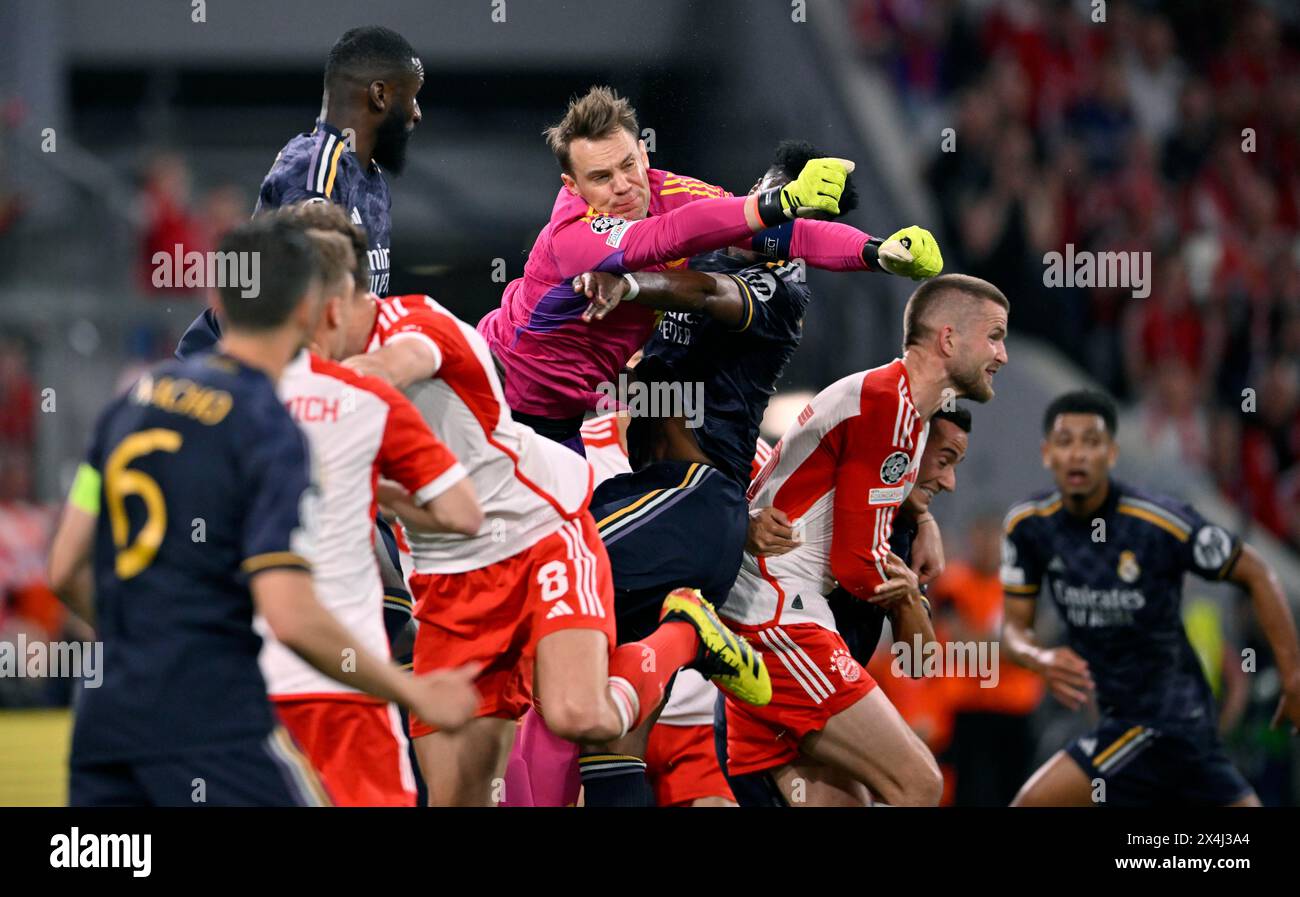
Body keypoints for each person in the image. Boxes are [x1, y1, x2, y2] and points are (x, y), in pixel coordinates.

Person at [45, 218, 478, 806]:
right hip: (210, 713)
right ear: (312, 309)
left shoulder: (131, 400)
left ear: (217, 301)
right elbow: (291, 614)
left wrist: (140, 639)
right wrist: (412, 691)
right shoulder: (268, 429)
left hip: (107, 714)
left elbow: (65, 568)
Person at [335, 289, 771, 806]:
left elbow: (389, 373)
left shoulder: (415, 325)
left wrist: (306, 409)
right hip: (448, 590)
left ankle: (684, 636)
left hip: (541, 542)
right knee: (463, 792)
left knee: (575, 714)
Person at [478, 86, 942, 452]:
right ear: (572, 184)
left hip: (560, 420)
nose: (622, 187)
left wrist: (876, 252)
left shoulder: (678, 194)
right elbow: (667, 237)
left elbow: (787, 236)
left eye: (627, 165)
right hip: (492, 390)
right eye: (601, 178)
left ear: (643, 154)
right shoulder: (572, 235)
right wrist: (779, 202)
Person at [716, 273, 1010, 807]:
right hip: (779, 618)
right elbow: (855, 563)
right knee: (921, 783)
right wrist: (906, 594)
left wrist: (922, 518)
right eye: (994, 336)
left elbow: (870, 497)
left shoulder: (896, 407)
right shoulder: (891, 407)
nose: (1003, 354)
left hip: (770, 617)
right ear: (948, 339)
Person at [259, 206, 482, 806]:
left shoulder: (211, 393)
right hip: (339, 672)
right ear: (336, 303)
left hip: (227, 674)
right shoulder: (363, 396)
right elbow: (464, 512)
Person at [1002, 389, 1300, 806]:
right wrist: (1041, 658)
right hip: (1129, 728)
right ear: (1046, 453)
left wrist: (1292, 676)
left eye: (1092, 442)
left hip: (1167, 724)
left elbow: (1257, 572)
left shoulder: (1158, 522)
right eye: (1066, 442)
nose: (1078, 455)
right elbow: (1013, 628)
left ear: (1112, 453)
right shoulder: (1029, 528)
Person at [175, 25, 423, 358]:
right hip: (229, 367)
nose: (417, 113)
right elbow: (309, 308)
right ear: (380, 96)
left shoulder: (371, 178)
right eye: (412, 96)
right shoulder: (315, 164)